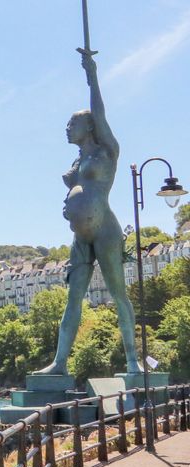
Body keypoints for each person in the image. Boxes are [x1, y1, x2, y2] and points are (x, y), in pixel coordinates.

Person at [35, 51, 140, 375]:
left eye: (72, 122)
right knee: (72, 299)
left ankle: (134, 362)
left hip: (105, 231)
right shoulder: (77, 162)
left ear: (89, 125)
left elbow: (99, 111)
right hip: (80, 237)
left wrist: (91, 76)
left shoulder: (106, 150)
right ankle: (59, 363)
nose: (67, 128)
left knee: (119, 295)